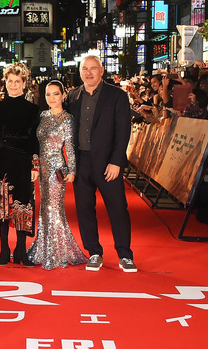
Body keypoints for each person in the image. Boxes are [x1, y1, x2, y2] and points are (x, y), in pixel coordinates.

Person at [66, 55, 136, 272]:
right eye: (84, 69)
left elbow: (123, 131)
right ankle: (94, 252)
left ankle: (125, 254)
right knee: (84, 209)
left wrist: (116, 162)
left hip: (108, 163)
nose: (88, 73)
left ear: (102, 70)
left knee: (118, 208)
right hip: (80, 163)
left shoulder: (117, 96)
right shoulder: (72, 97)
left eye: (93, 68)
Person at [27, 80, 88, 270]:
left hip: (56, 170)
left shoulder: (67, 119)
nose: (51, 98)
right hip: (42, 170)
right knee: (44, 208)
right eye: (48, 94)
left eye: (55, 94)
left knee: (54, 209)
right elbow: (34, 143)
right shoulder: (42, 116)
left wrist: (72, 170)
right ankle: (44, 248)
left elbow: (69, 146)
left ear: (63, 95)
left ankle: (55, 252)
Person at [0, 62, 40, 266]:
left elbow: (35, 139)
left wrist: (35, 165)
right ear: (5, 82)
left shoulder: (33, 110)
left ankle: (21, 250)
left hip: (24, 160)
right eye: (10, 81)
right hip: (3, 161)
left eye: (18, 81)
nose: (13, 85)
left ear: (24, 83)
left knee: (23, 205)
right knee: (3, 206)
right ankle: (4, 249)